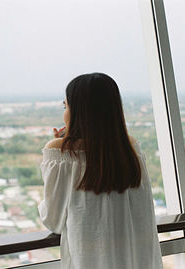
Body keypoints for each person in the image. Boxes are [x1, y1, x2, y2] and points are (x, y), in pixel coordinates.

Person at [38, 73, 163, 269]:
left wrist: (64, 145)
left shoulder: (60, 153)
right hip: (136, 259)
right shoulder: (130, 148)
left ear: (80, 111)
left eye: (66, 106)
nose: (65, 113)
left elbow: (52, 220)